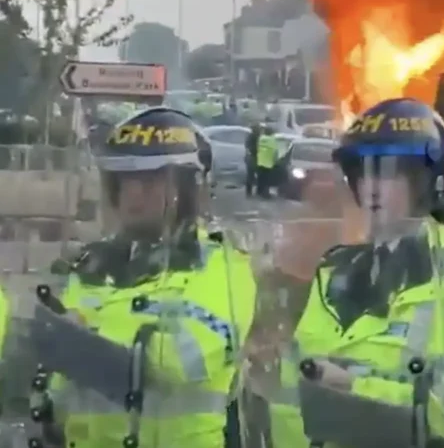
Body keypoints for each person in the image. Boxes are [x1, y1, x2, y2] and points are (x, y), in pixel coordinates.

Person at [241, 98, 444, 447]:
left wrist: (351, 388)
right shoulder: (333, 273)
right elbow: (293, 398)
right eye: (363, 171)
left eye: (390, 172)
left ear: (427, 183)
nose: (372, 186)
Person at [9, 106, 257, 448]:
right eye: (125, 181)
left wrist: (82, 337)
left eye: (151, 180)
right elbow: (45, 368)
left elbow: (182, 362)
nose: (134, 193)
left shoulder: (220, 265)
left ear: (185, 190)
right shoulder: (92, 266)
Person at [255, 124, 277, 199]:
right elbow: (275, 152)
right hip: (268, 163)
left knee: (260, 178)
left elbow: (258, 148)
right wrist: (275, 160)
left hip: (260, 161)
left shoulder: (261, 138)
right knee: (267, 180)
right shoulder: (272, 140)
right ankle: (265, 194)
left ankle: (258, 192)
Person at [245, 123, 261, 198]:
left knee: (253, 175)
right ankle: (250, 192)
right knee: (251, 175)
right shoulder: (253, 137)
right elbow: (249, 147)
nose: (259, 130)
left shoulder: (255, 137)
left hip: (253, 158)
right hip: (253, 158)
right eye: (258, 128)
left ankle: (252, 192)